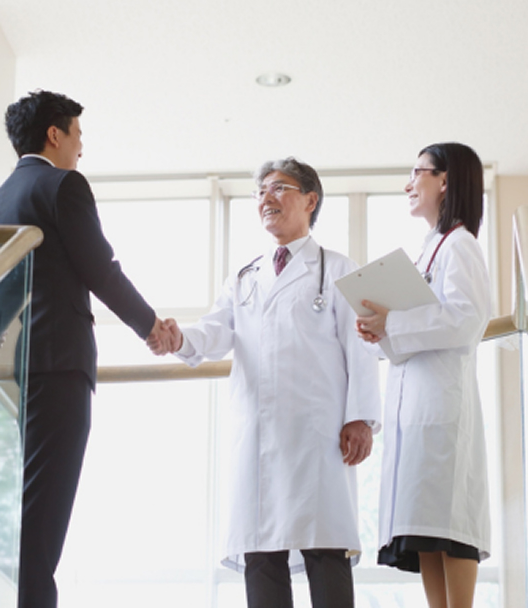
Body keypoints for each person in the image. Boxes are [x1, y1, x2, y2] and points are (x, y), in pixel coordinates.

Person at [150, 157, 381, 608]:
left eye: (278, 188)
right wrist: (178, 338)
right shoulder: (244, 277)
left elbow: (362, 348)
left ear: (310, 200)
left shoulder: (335, 269)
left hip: (318, 437)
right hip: (257, 437)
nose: (265, 199)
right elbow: (214, 334)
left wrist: (360, 418)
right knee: (261, 558)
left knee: (325, 550)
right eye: (260, 192)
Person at [0, 90, 174, 608]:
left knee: (16, 521)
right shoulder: (62, 185)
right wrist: (150, 325)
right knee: (40, 530)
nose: (80, 149)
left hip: (3, 373)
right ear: (55, 134)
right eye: (78, 136)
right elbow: (99, 266)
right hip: (55, 368)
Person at [356, 142, 490, 608]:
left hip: (442, 413)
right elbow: (415, 333)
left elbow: (465, 318)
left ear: (446, 180)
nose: (408, 184)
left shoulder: (461, 245)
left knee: (450, 529)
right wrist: (382, 331)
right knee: (427, 532)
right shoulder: (431, 247)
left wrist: (392, 322)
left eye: (418, 173)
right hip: (415, 410)